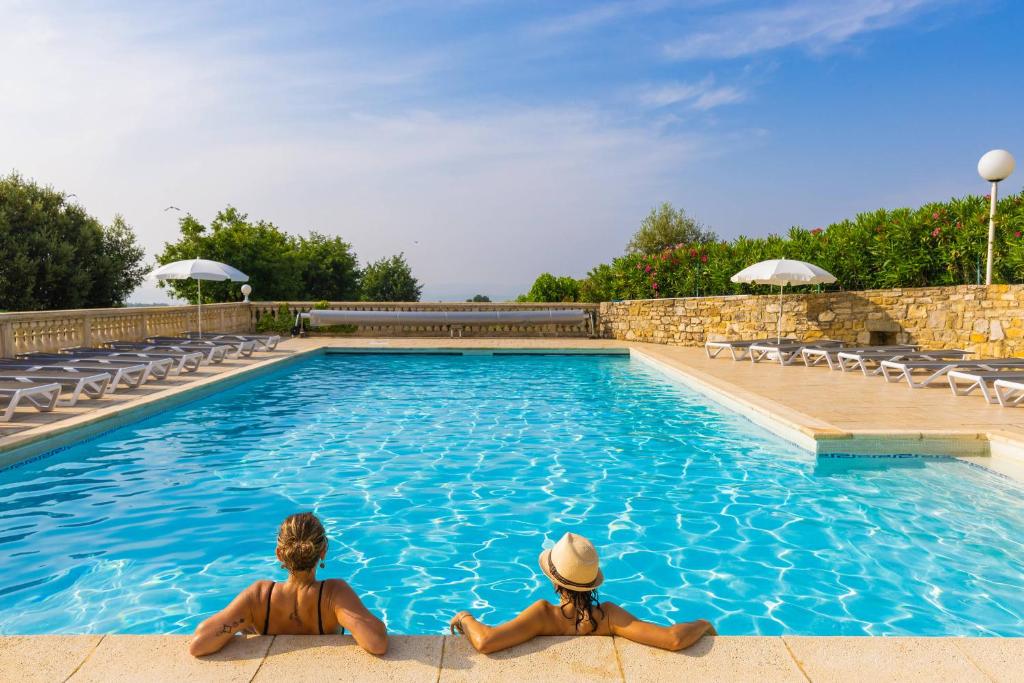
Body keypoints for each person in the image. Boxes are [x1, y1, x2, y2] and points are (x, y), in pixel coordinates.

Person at [449, 532, 715, 654]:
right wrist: (702, 624)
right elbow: (673, 639)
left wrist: (465, 618)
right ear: (592, 583)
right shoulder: (609, 616)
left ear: (555, 582)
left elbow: (486, 641)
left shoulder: (543, 615)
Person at [189, 512, 388, 657]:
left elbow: (199, 644)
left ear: (279, 554)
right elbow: (377, 642)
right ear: (323, 552)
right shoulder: (334, 594)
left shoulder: (259, 596)